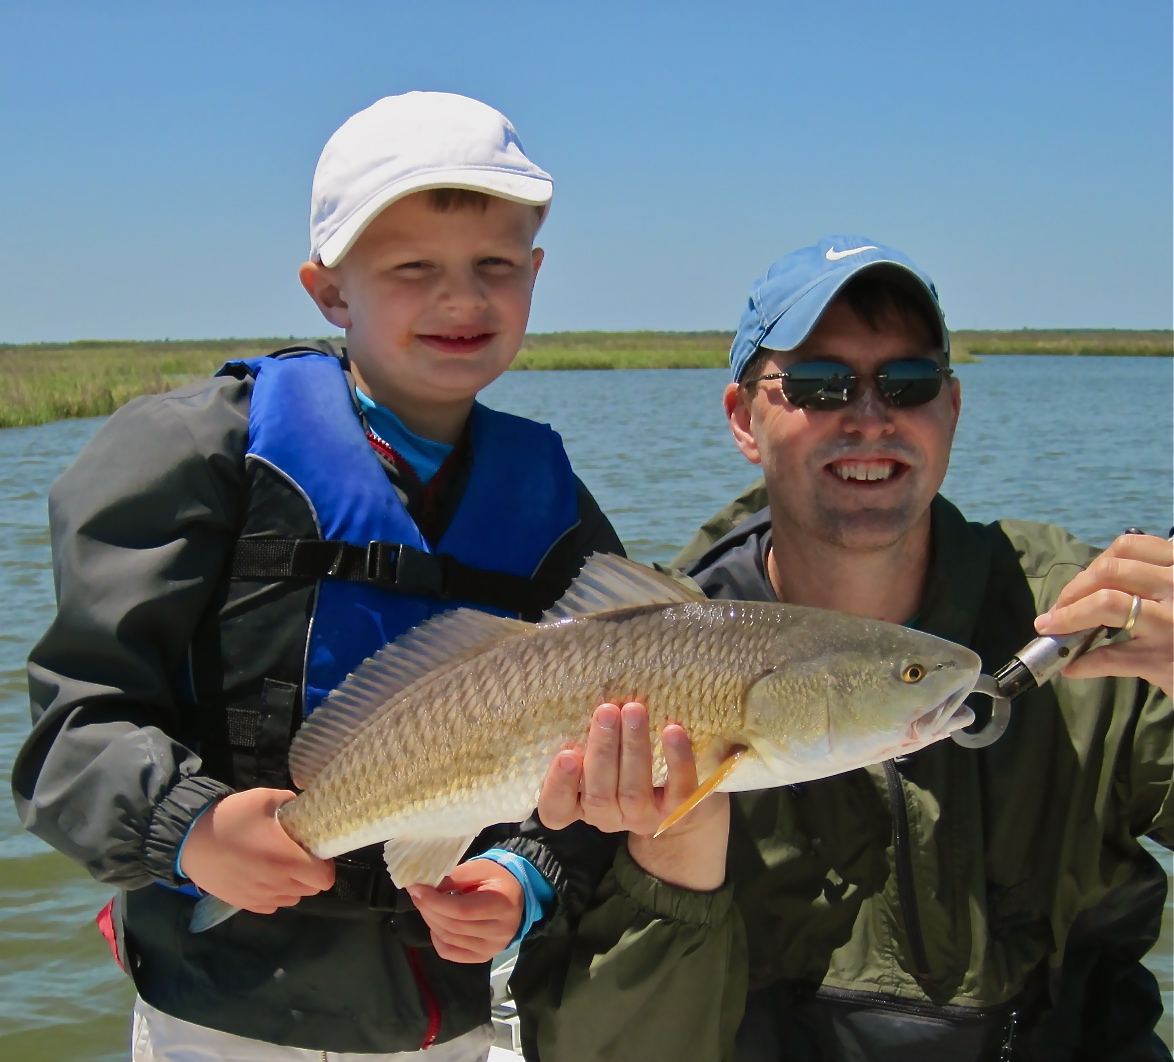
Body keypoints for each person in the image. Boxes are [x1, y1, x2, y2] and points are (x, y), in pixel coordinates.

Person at [11, 91, 621, 1060]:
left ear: (536, 275)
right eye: (411, 268)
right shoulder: (196, 451)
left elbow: (607, 756)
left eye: (494, 267)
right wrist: (188, 827)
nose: (461, 300)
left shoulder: (558, 511)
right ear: (330, 290)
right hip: (218, 1015)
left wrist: (524, 871)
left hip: (445, 1015)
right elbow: (70, 741)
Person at [524, 237, 1174, 1061]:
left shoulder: (1088, 621)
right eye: (818, 384)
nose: (869, 417)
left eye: (908, 382)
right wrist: (671, 866)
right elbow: (603, 1050)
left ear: (952, 408)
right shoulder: (633, 669)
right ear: (742, 419)